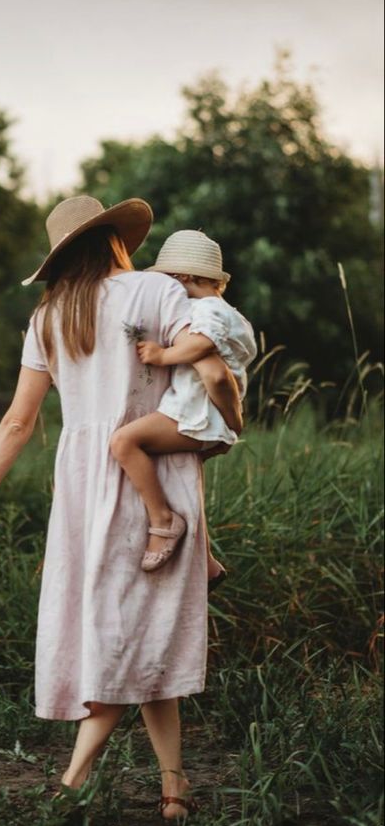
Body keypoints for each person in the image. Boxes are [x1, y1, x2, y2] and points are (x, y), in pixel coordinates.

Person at [0, 195, 241, 819]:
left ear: (61, 255)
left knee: (132, 628)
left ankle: (170, 786)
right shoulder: (157, 293)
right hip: (153, 472)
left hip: (85, 483)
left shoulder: (47, 317)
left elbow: (17, 422)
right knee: (135, 629)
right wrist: (230, 425)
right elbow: (208, 367)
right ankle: (82, 779)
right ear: (115, 238)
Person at [110, 230, 256, 582]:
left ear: (182, 279)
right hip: (204, 417)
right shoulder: (232, 314)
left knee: (123, 442)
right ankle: (205, 563)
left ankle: (163, 521)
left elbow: (207, 357)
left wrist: (163, 355)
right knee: (177, 477)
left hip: (196, 415)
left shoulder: (205, 310)